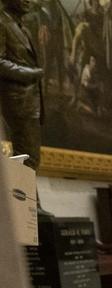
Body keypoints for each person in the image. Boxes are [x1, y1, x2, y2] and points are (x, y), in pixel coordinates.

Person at [0, 0, 44, 170]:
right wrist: (30, 74)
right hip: (17, 101)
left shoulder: (19, 26)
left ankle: (26, 197)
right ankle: (24, 196)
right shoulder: (2, 23)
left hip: (27, 102)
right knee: (27, 159)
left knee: (28, 159)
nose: (29, 1)